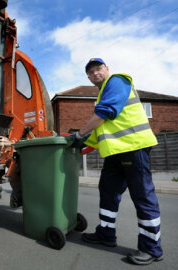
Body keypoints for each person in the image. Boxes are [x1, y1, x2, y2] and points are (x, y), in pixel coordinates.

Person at [72, 58, 163, 265]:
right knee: (108, 191)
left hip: (133, 146)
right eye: (90, 72)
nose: (95, 73)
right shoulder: (103, 93)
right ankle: (106, 234)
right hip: (115, 153)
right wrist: (78, 148)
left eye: (98, 69)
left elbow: (104, 114)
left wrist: (78, 135)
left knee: (142, 196)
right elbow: (99, 131)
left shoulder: (117, 81)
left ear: (107, 69)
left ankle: (152, 248)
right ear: (87, 77)